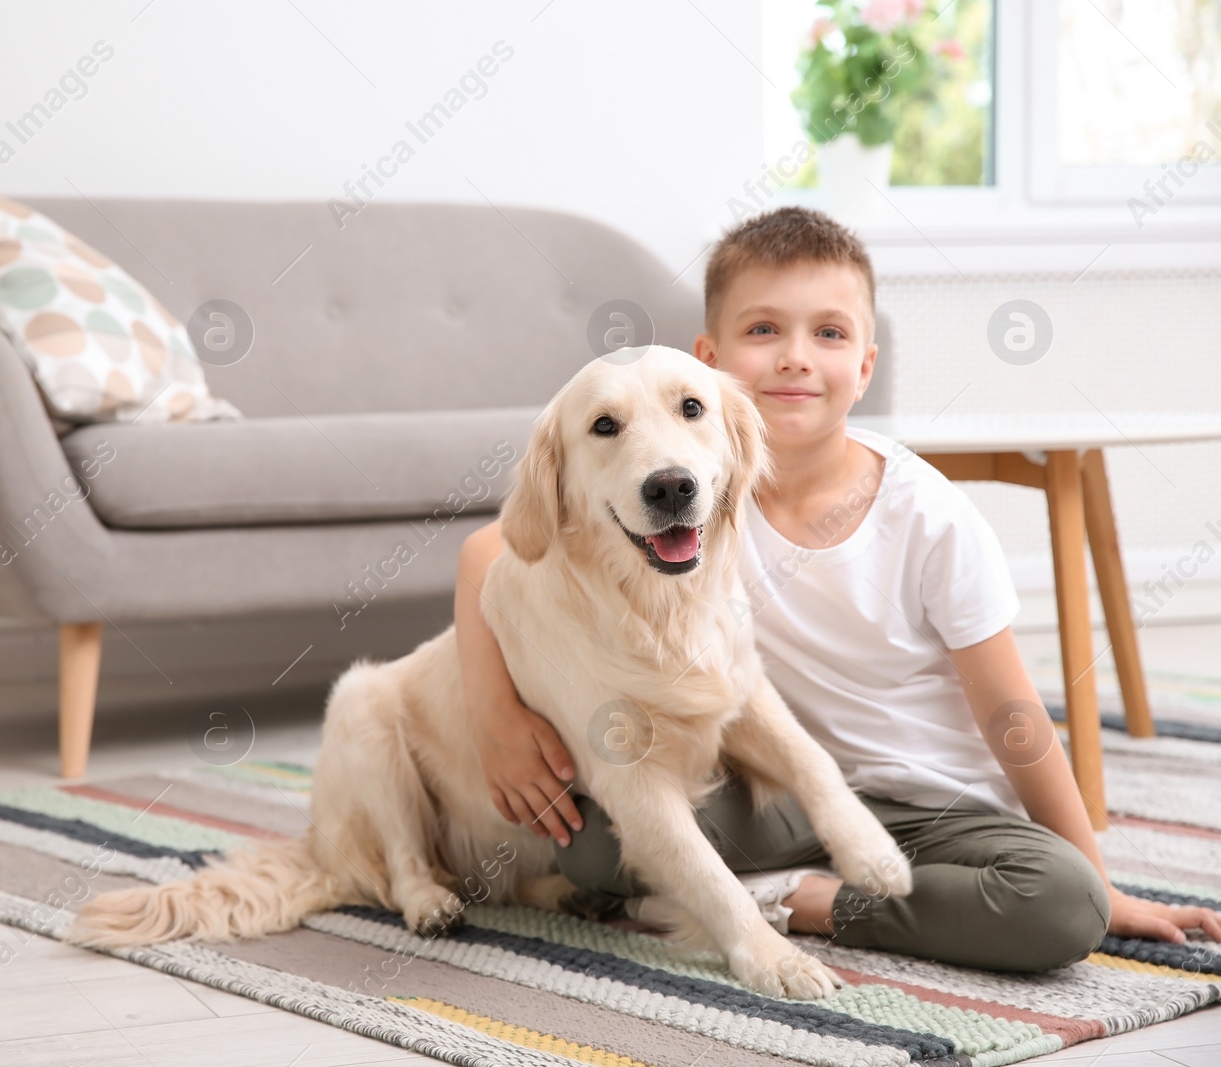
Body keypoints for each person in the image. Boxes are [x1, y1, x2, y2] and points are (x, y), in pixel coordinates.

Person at [452, 206, 1221, 972]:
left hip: (935, 807)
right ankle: (771, 884)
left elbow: (1012, 713)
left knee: (1064, 905)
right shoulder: (689, 494)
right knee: (590, 843)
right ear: (709, 361)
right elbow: (489, 551)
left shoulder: (926, 512)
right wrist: (495, 719)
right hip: (774, 800)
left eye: (829, 333)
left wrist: (1099, 879)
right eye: (763, 331)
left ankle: (799, 901)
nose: (794, 358)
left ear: (865, 365)